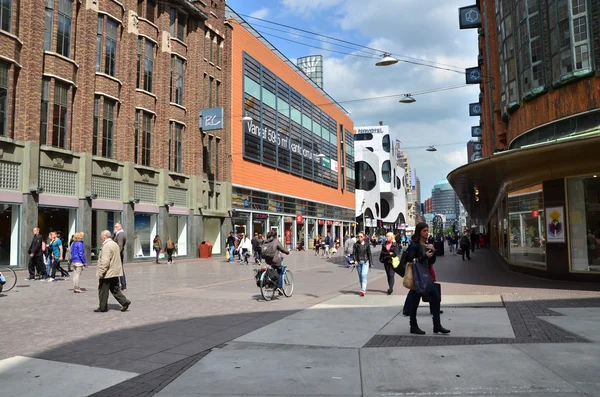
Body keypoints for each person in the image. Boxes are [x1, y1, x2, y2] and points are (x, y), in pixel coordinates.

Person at [405, 222, 449, 335]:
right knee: (415, 302)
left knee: (436, 297)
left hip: (426, 276)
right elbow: (410, 260)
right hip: (417, 277)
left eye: (427, 230)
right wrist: (425, 256)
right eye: (424, 230)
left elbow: (431, 262)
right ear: (419, 232)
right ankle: (413, 325)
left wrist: (432, 252)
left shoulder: (428, 244)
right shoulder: (414, 245)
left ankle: (437, 325)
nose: (426, 232)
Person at [95, 230, 131, 312]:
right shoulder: (115, 244)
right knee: (115, 289)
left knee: (103, 291)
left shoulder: (107, 246)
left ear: (104, 237)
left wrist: (101, 272)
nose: (101, 239)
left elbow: (105, 261)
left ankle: (103, 307)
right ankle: (124, 302)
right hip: (115, 272)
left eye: (101, 237)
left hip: (107, 273)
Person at [352, 231, 373, 297]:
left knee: (363, 275)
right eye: (358, 236)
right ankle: (362, 289)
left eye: (361, 236)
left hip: (365, 262)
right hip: (358, 262)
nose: (359, 238)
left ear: (363, 237)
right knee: (360, 276)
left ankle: (363, 290)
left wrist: (371, 263)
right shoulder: (356, 244)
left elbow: (369, 254)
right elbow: (354, 253)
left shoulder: (367, 244)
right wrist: (355, 260)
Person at [113, 222, 127, 291]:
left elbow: (120, 245)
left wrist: (116, 255)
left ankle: (122, 285)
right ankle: (122, 285)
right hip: (118, 254)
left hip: (118, 254)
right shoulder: (118, 234)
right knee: (119, 269)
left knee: (120, 269)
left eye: (116, 226)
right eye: (114, 226)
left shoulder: (120, 234)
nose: (114, 228)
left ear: (120, 227)